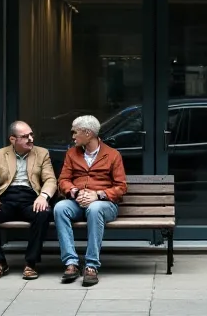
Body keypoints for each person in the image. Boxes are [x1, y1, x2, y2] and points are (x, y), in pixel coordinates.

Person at [0, 120, 57, 280]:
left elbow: (50, 180)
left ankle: (31, 263)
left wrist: (43, 196)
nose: (31, 139)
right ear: (13, 139)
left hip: (31, 199)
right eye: (25, 136)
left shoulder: (42, 153)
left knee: (43, 212)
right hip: (5, 199)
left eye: (31, 135)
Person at [54, 115, 128, 287]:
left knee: (94, 209)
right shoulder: (72, 153)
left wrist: (98, 195)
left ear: (88, 133)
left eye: (75, 132)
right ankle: (71, 263)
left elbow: (121, 187)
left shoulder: (112, 155)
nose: (72, 136)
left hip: (104, 205)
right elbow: (63, 180)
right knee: (59, 208)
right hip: (77, 202)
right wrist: (74, 191)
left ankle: (91, 266)